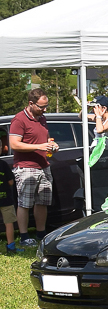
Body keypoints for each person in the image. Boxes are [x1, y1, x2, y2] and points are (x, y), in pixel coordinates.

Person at [8, 89, 59, 247]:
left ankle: (41, 234)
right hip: (26, 167)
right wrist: (40, 146)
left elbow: (45, 139)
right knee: (25, 203)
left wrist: (52, 145)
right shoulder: (19, 119)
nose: (44, 110)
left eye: (46, 106)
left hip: (43, 166)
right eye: (41, 106)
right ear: (31, 104)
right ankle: (24, 237)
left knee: (42, 201)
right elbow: (14, 144)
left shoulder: (42, 118)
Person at [0, 129, 17, 252]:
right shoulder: (4, 165)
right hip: (6, 199)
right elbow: (11, 181)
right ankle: (11, 246)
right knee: (9, 223)